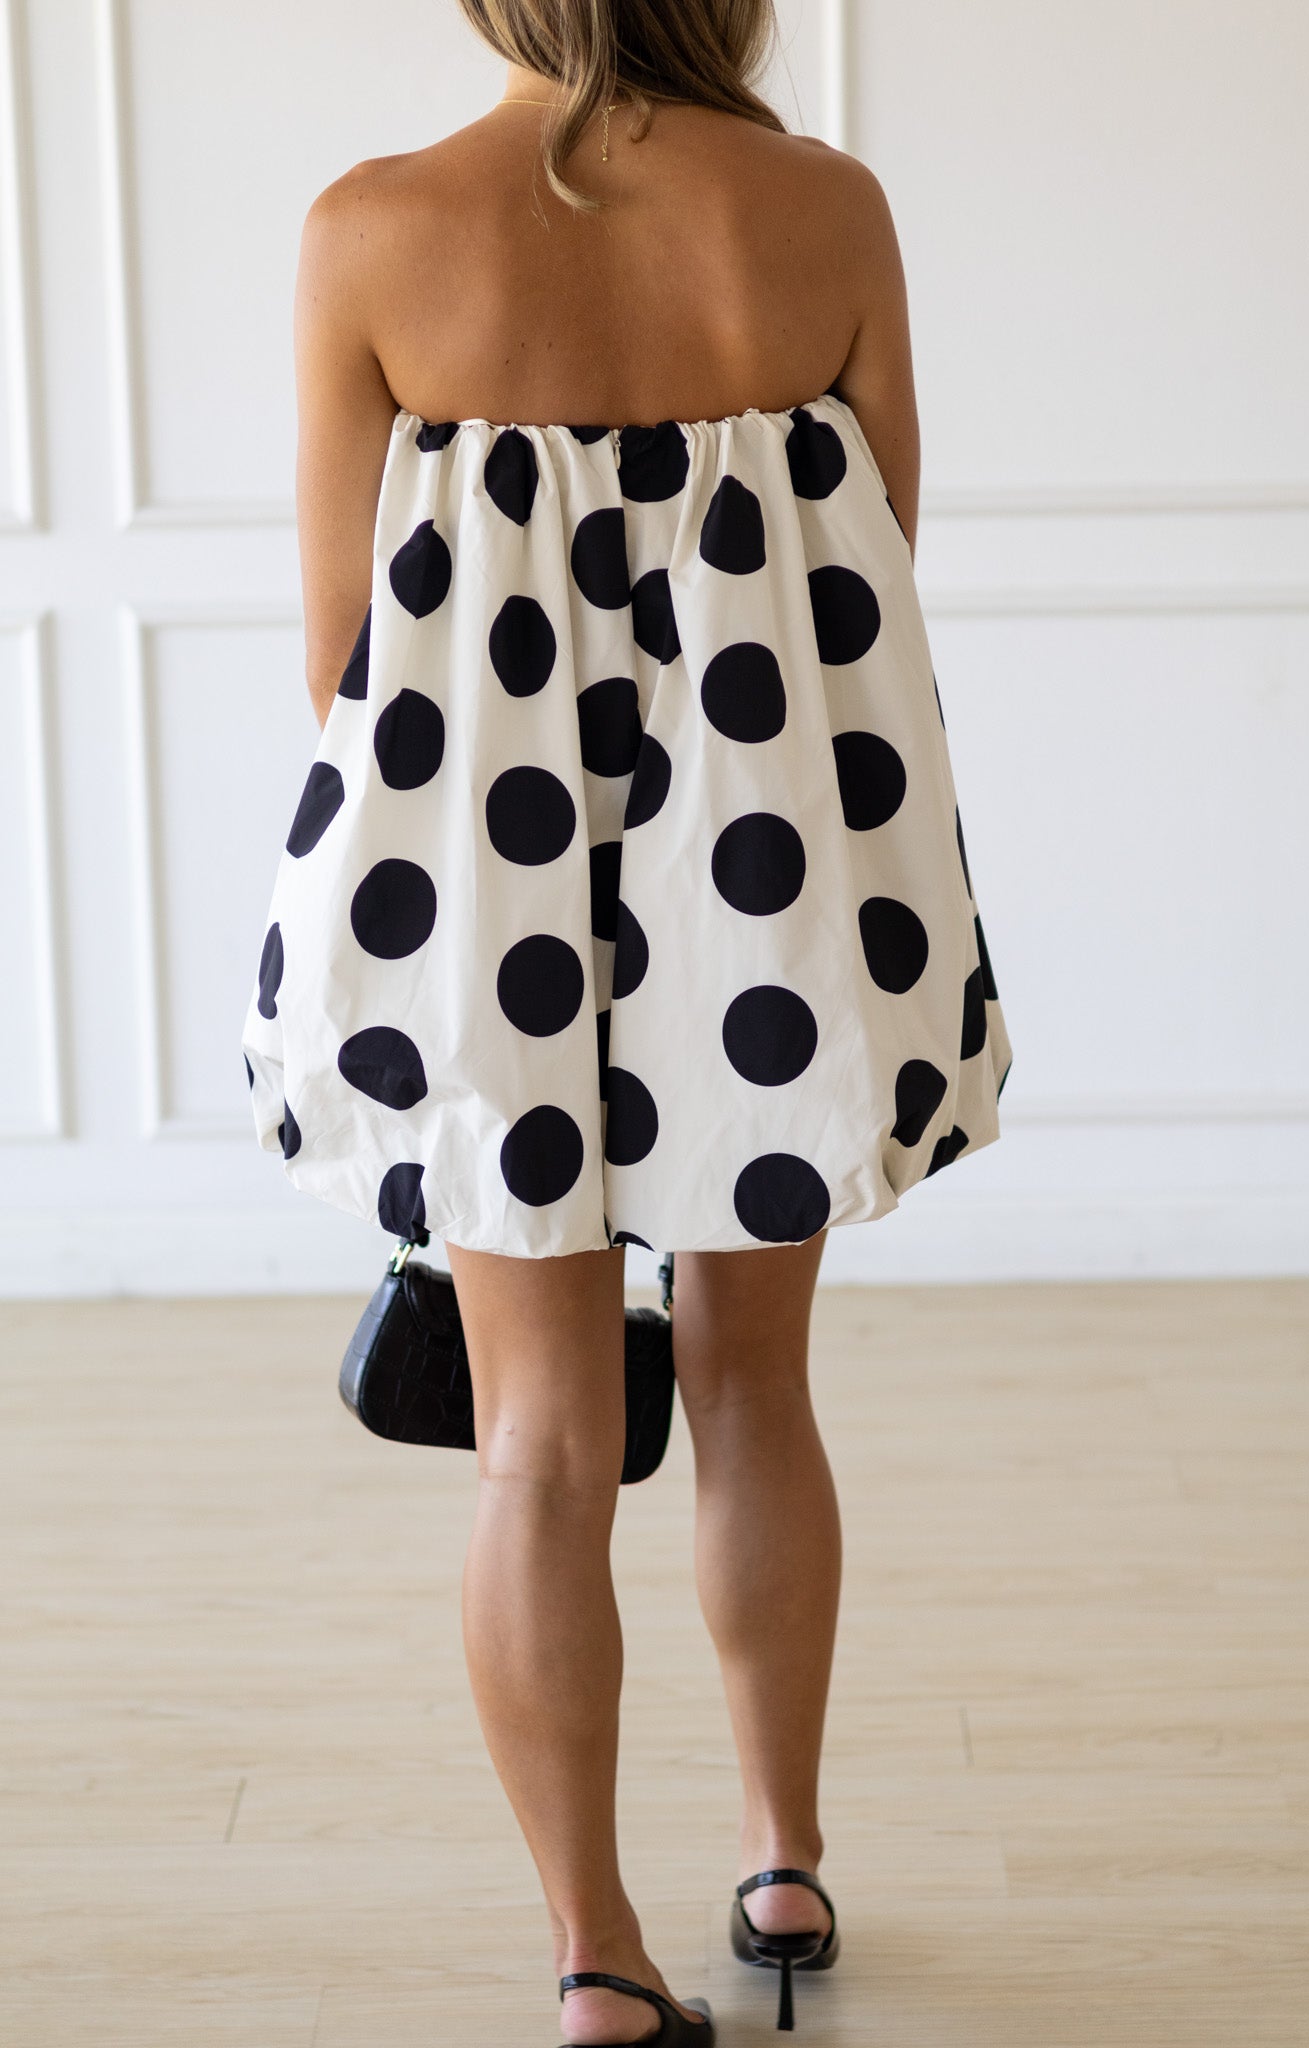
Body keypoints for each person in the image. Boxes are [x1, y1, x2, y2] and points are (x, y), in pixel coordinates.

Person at [241, 3, 1012, 2040]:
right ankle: (780, 1858)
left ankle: (592, 1955)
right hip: (764, 885)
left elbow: (342, 656)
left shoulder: (372, 231)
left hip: (474, 902)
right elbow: (873, 581)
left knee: (539, 1447)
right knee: (752, 1388)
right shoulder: (822, 214)